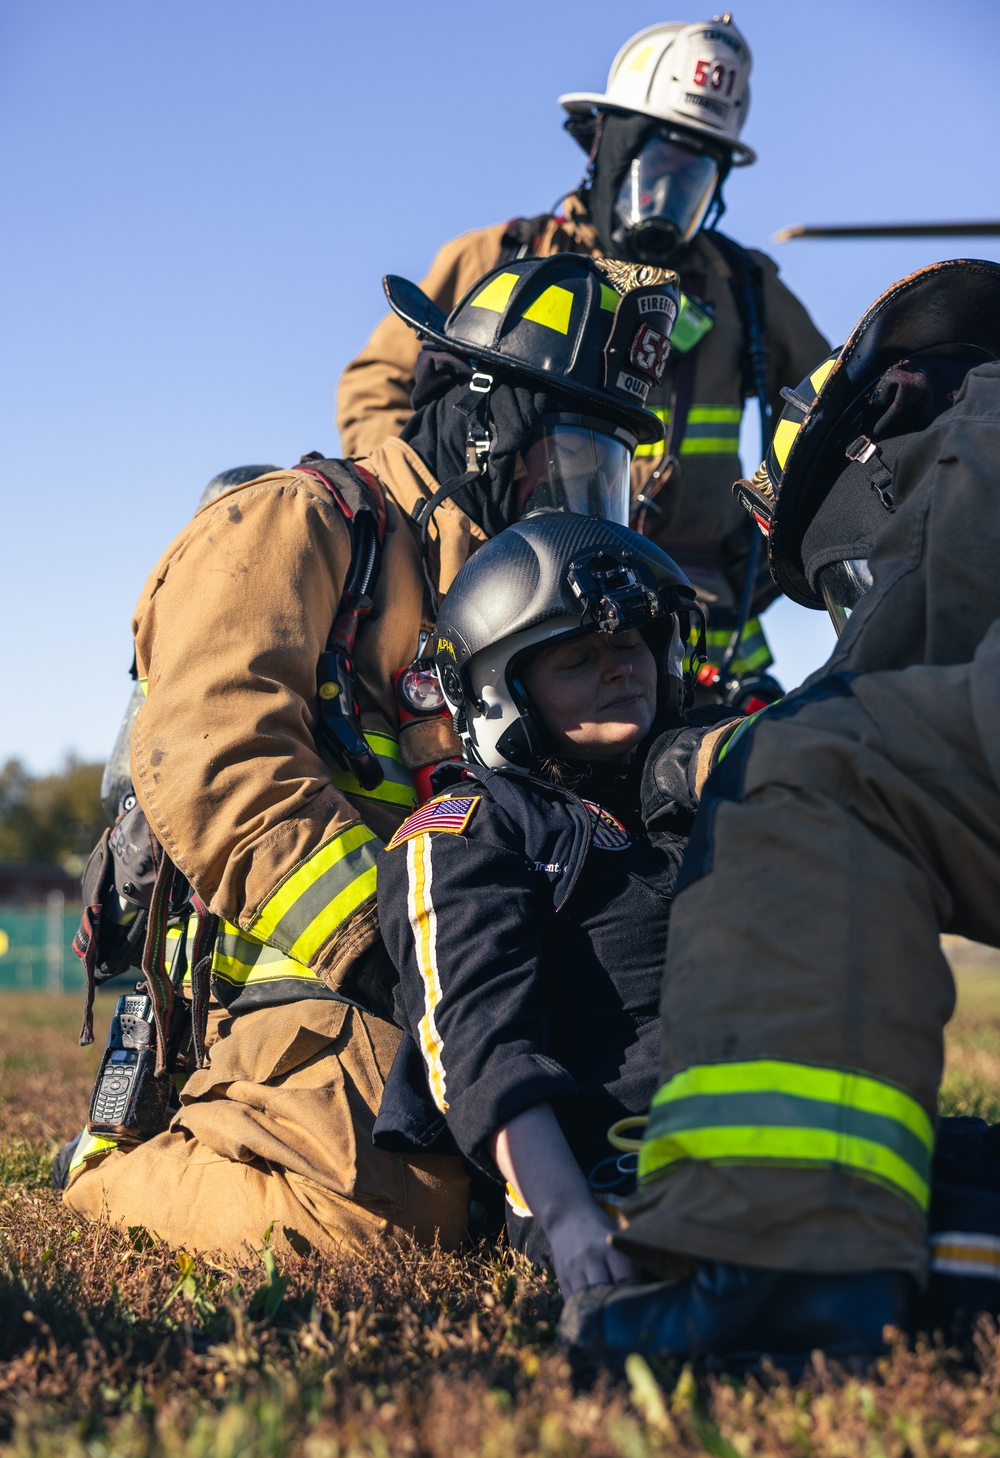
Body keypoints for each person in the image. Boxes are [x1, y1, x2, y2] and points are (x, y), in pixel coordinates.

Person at [59, 254, 679, 1260]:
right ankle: (114, 1174)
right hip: (316, 989)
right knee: (403, 1209)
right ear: (486, 424)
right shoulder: (297, 523)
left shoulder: (510, 592)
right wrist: (396, 954)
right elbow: (219, 762)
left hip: (484, 974)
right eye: (570, 463)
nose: (581, 504)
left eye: (604, 477)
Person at [557, 257, 1000, 1374]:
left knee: (807, 770)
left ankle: (783, 1267)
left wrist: (702, 760)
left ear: (884, 417)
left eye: (840, 578)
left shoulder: (964, 434)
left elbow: (879, 690)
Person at [336, 16, 829, 679]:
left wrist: (784, 538)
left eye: (695, 178)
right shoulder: (501, 259)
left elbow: (831, 405)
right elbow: (376, 388)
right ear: (606, 145)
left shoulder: (745, 290)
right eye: (658, 167)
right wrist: (439, 528)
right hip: (519, 604)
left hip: (698, 624)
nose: (668, 198)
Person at [371, 511, 738, 1293]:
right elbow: (482, 1047)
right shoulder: (472, 831)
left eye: (632, 641)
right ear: (501, 694)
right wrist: (571, 1218)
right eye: (577, 656)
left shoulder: (692, 796)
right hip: (639, 1168)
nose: (620, 668)